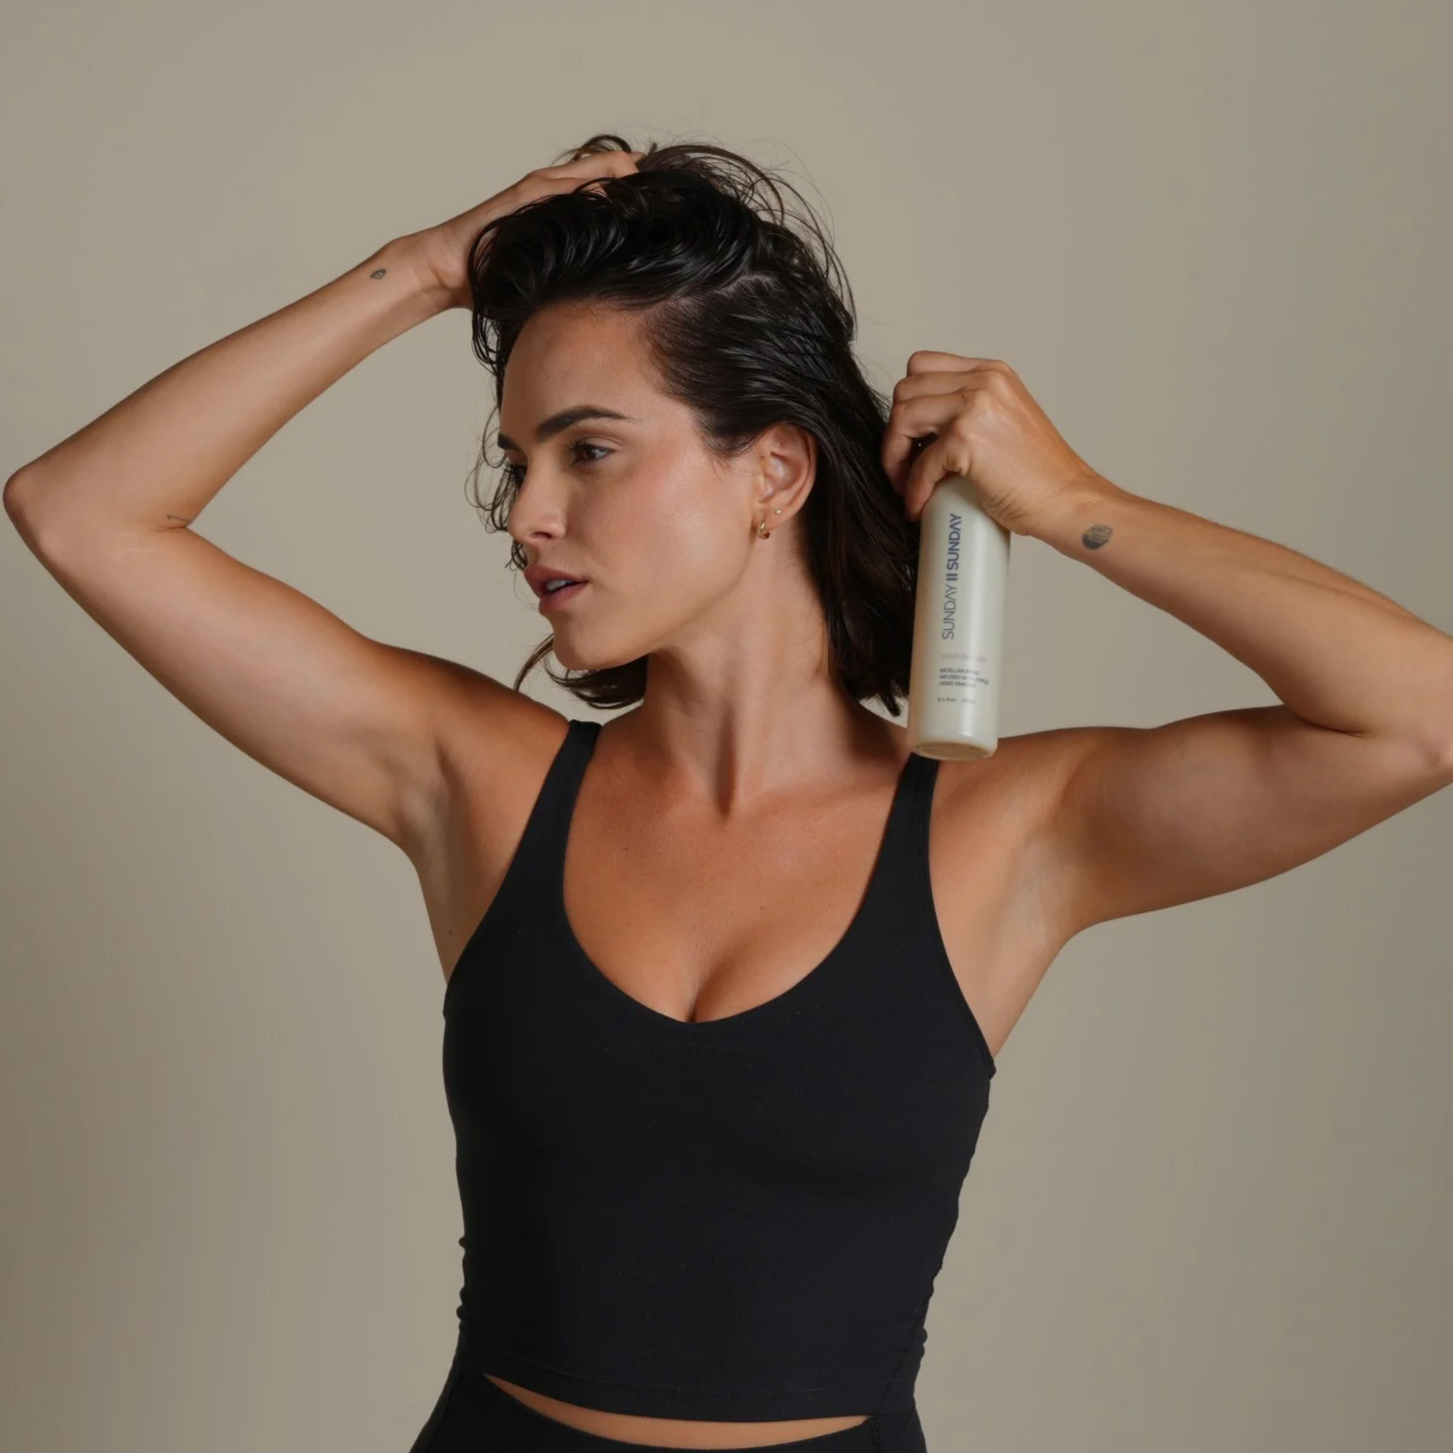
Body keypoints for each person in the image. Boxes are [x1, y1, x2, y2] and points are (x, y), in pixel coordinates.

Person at [7, 134, 1452, 1453]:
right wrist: (430, 269)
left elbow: (1419, 716)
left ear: (772, 473)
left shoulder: (1005, 829)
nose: (529, 515)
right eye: (518, 462)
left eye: (589, 449)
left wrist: (1076, 501)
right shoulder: (482, 781)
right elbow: (80, 511)